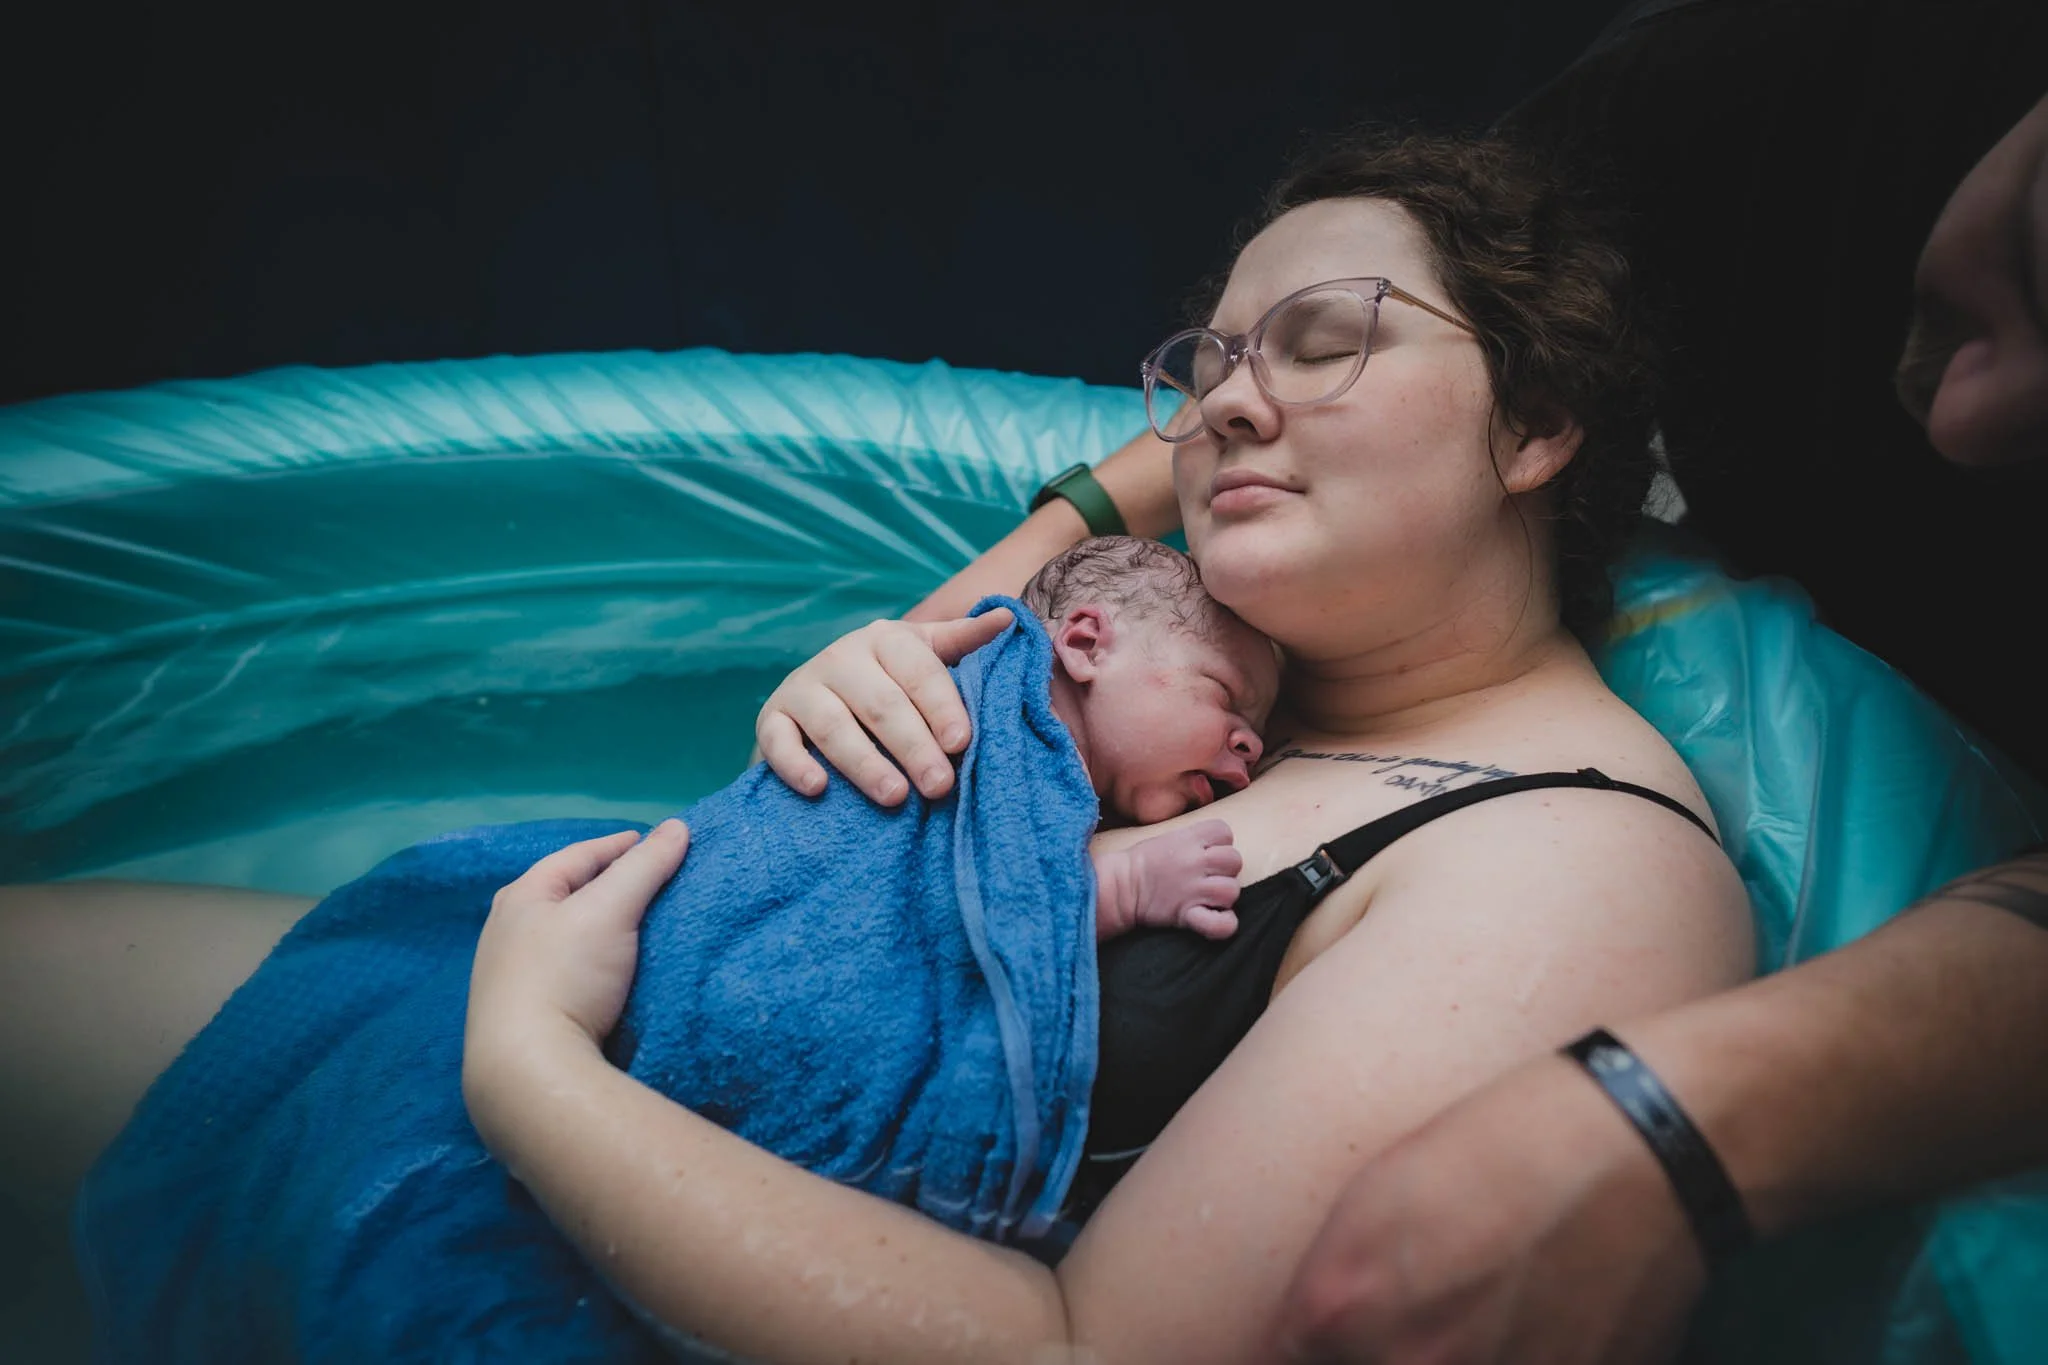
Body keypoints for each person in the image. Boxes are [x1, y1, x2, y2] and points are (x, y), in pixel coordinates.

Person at [457, 126, 1755, 1364]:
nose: (1225, 405)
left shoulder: (1576, 869)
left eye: (1320, 345)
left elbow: (1098, 1347)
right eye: (1206, 372)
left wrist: (530, 1069)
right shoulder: (1194, 676)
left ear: (1532, 422)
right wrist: (859, 702)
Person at [28, 535, 1277, 1360]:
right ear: (1085, 645)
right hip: (595, 959)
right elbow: (949, 865)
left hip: (572, 1071)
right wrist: (1116, 881)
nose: (1246, 750)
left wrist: (529, 1048)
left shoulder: (1086, 770)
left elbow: (1001, 898)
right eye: (1225, 706)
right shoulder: (996, 693)